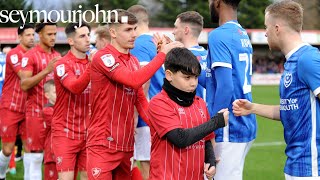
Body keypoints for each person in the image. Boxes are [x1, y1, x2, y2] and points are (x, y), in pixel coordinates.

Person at [87, 9, 182, 179]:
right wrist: (161, 55)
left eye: (134, 29)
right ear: (113, 32)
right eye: (127, 30)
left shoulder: (133, 61)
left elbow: (140, 100)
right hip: (102, 144)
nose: (133, 34)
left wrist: (161, 129)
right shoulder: (103, 57)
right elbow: (133, 80)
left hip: (126, 144)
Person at [233, 1, 320, 179]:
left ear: (277, 28)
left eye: (267, 27)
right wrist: (252, 108)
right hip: (295, 164)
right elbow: (291, 111)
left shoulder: (308, 59)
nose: (265, 33)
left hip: (311, 166)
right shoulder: (292, 62)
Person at [147, 47, 229, 180]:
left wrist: (211, 161)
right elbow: (180, 139)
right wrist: (216, 122)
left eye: (196, 77)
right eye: (187, 77)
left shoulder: (199, 102)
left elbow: (206, 139)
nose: (193, 83)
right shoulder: (159, 103)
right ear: (169, 75)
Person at [206, 0, 256, 179]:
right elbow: (215, 80)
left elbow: (226, 87)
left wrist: (209, 127)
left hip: (228, 127)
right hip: (245, 122)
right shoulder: (241, 33)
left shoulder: (218, 35)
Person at [20, 19, 61, 180]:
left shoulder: (57, 56)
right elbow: (24, 85)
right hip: (35, 113)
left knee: (54, 156)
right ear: (39, 34)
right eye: (49, 34)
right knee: (35, 156)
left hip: (55, 115)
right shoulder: (30, 56)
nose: (53, 37)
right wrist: (46, 70)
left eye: (55, 34)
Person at [52, 22, 92, 180]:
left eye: (89, 34)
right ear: (70, 41)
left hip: (89, 133)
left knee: (88, 177)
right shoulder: (62, 64)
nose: (88, 39)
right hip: (65, 132)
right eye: (82, 36)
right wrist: (92, 67)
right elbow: (75, 87)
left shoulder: (93, 62)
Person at [127, 5, 159, 180]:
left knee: (146, 165)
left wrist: (134, 115)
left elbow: (143, 81)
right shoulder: (157, 41)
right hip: (161, 112)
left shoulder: (138, 44)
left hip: (146, 114)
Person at [0, 24, 34, 180]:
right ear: (19, 37)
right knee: (7, 149)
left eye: (33, 35)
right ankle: (1, 174)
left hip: (28, 109)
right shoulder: (14, 54)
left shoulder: (35, 55)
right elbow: (25, 78)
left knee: (30, 149)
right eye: (27, 35)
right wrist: (46, 69)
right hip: (10, 107)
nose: (32, 38)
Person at [173, 11, 207, 100]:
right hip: (209, 110)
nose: (173, 31)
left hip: (193, 111)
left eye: (176, 27)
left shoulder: (182, 58)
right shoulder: (208, 55)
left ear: (186, 30)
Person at [43, 79, 58, 180]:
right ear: (47, 95)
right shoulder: (47, 110)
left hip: (64, 152)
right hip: (52, 152)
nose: (59, 94)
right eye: (55, 92)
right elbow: (60, 123)